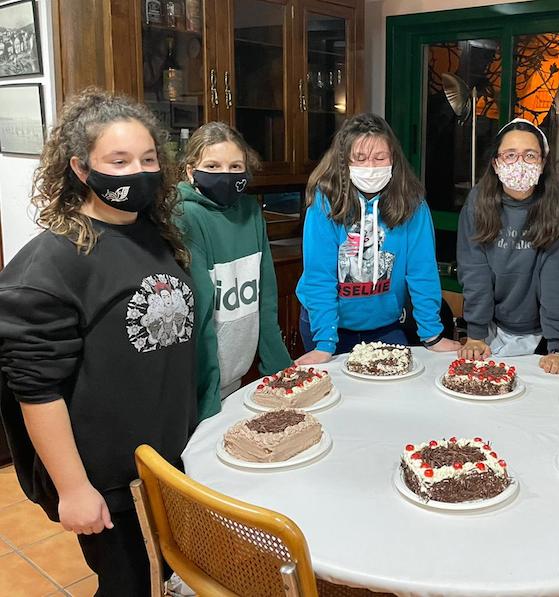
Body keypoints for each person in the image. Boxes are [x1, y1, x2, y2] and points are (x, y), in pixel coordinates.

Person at [0, 88, 199, 596]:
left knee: (166, 577)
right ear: (81, 169)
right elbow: (36, 390)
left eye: (148, 158)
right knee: (127, 585)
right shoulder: (52, 265)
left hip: (167, 460)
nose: (138, 171)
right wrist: (72, 489)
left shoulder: (153, 235)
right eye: (119, 160)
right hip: (108, 480)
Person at [295, 113, 459, 362]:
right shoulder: (324, 203)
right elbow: (319, 277)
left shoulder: (412, 205)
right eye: (359, 158)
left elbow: (422, 272)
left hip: (385, 325)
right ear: (344, 162)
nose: (371, 166)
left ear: (393, 159)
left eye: (379, 157)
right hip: (327, 327)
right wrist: (324, 344)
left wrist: (432, 335)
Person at [176, 122, 292, 420]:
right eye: (212, 166)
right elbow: (200, 316)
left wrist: (281, 372)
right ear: (191, 170)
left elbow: (265, 299)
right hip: (199, 386)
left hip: (236, 374)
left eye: (235, 166)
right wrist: (208, 401)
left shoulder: (251, 211)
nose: (225, 175)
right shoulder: (184, 215)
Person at [456, 118, 559, 374]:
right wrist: (476, 333)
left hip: (544, 333)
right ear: (496, 163)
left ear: (543, 162)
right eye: (510, 155)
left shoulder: (558, 208)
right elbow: (474, 270)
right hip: (491, 326)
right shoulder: (478, 202)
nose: (520, 163)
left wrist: (558, 346)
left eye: (530, 155)